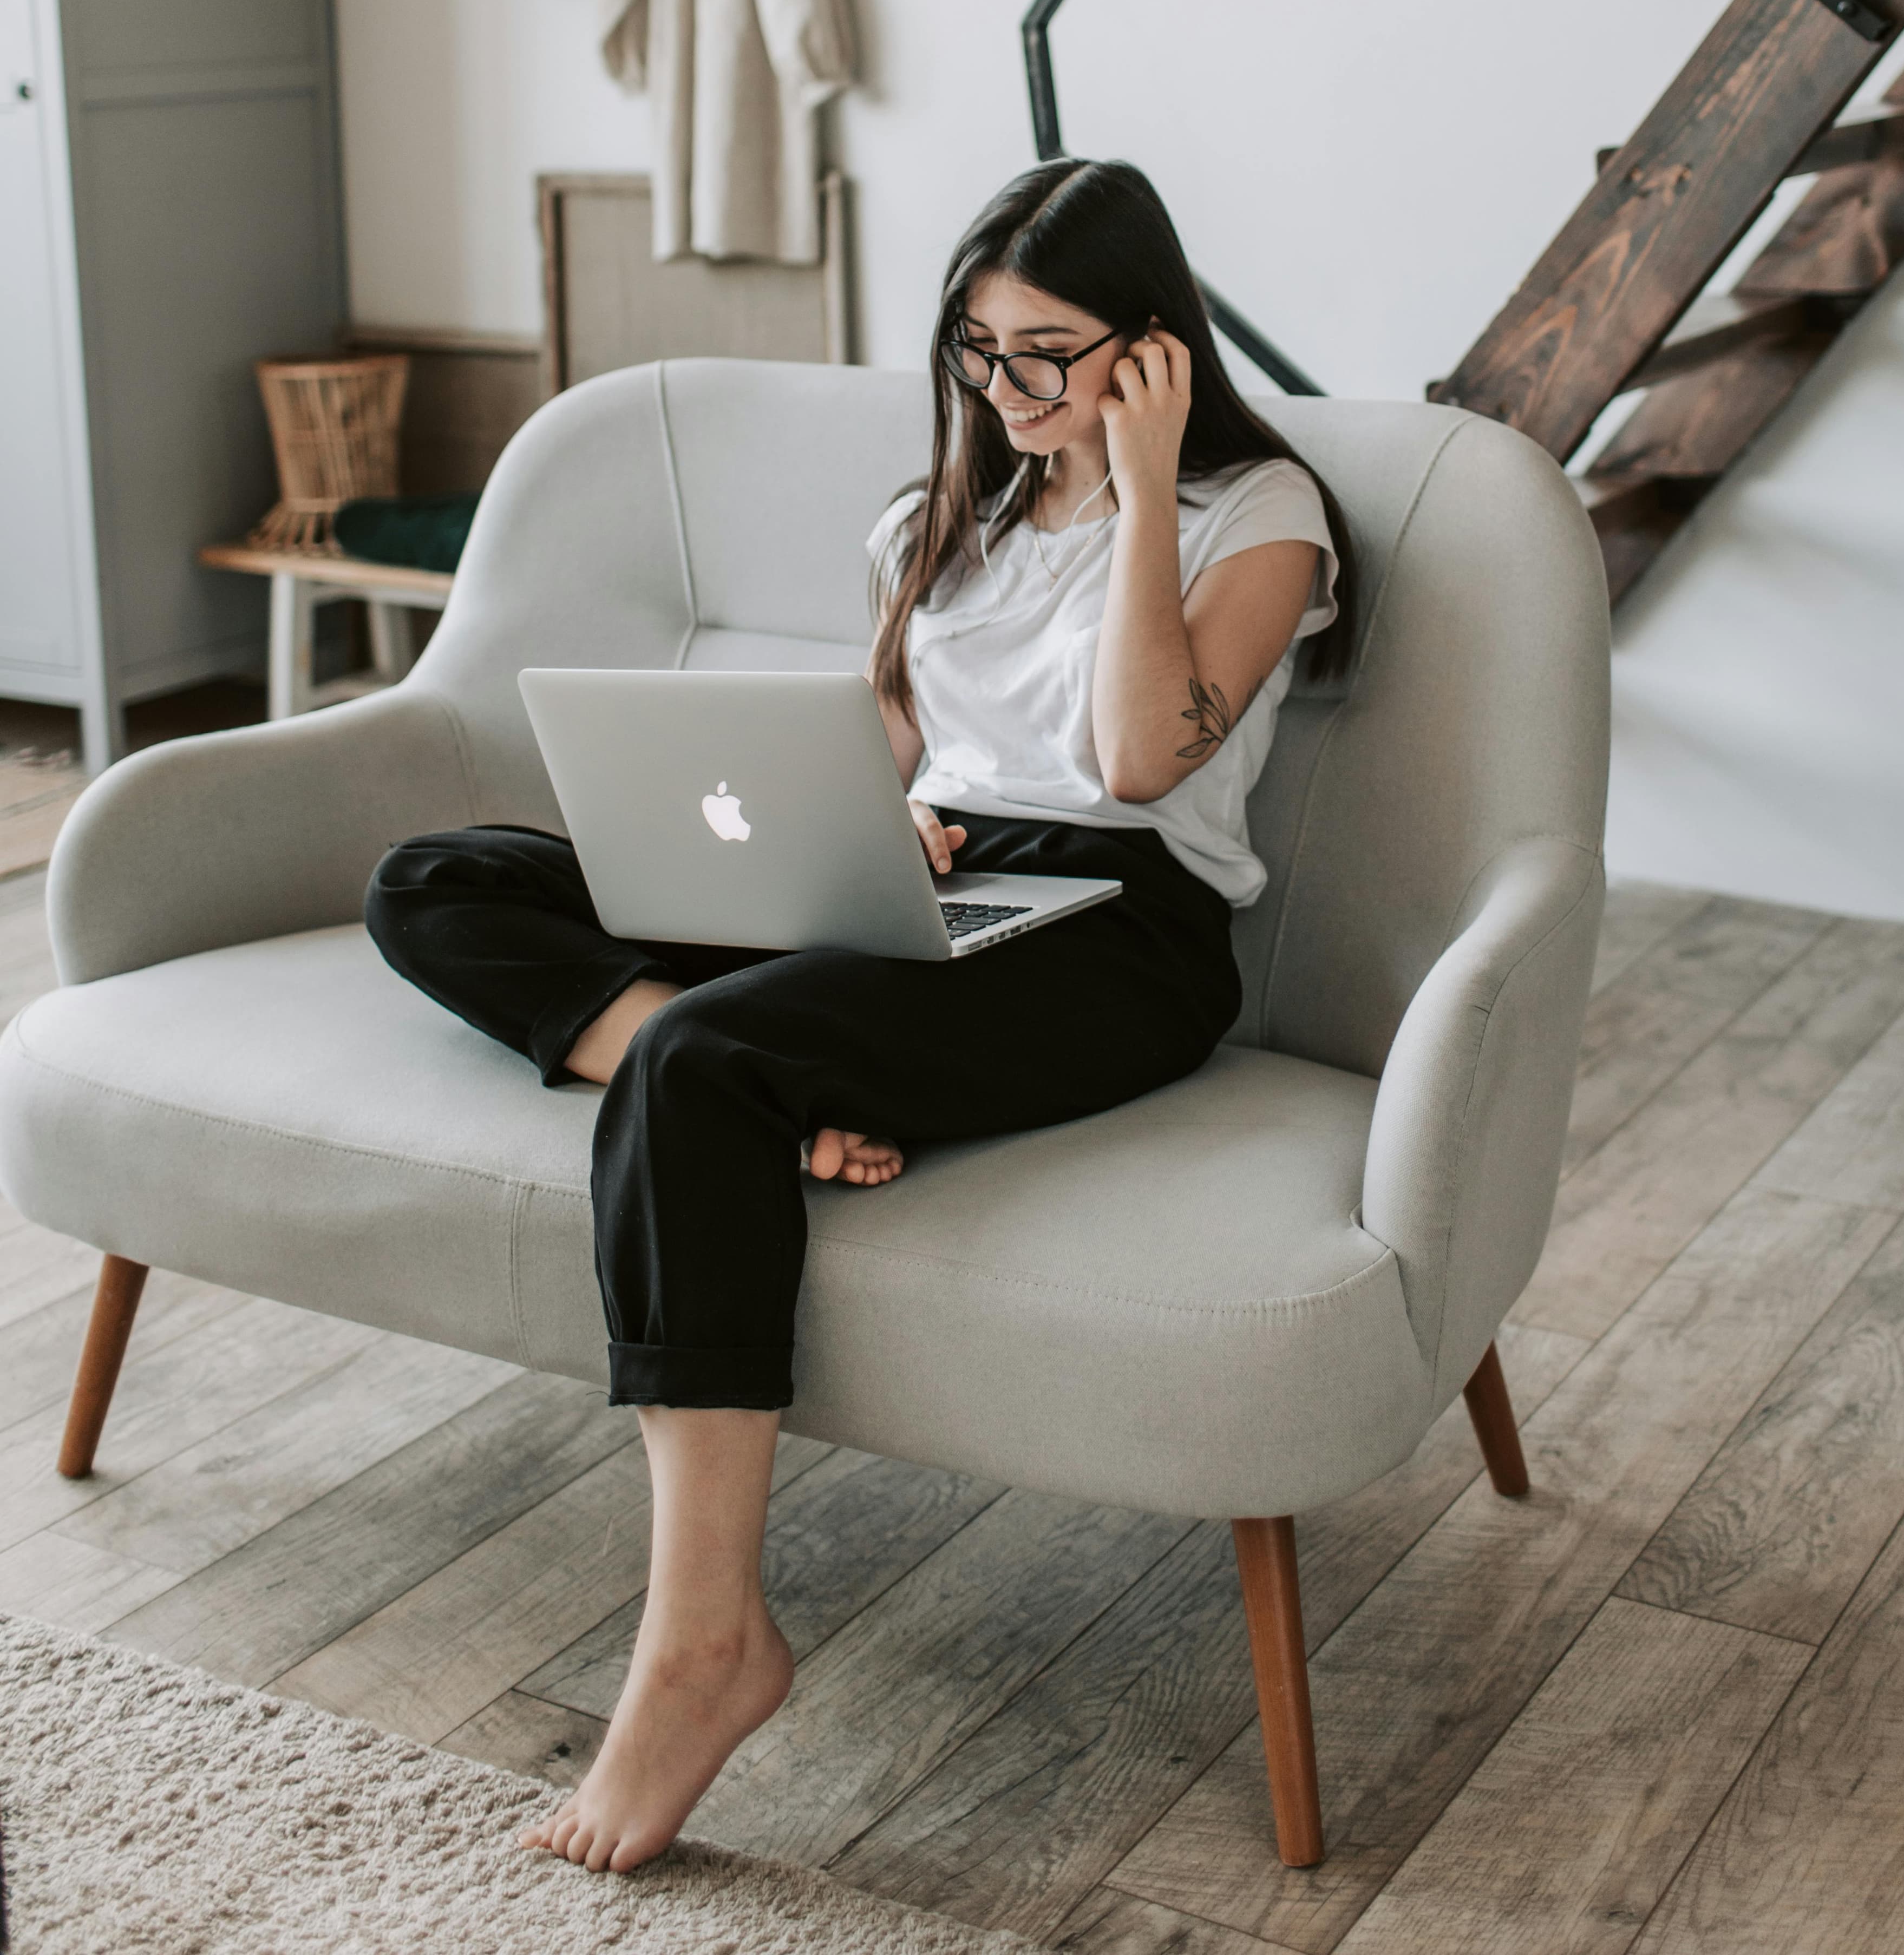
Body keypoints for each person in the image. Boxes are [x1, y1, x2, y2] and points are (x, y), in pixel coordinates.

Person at [363, 156, 1355, 1873]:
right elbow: (884, 755)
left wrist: (1131, 485)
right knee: (437, 879)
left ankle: (707, 1642)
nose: (1008, 390)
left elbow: (1136, 760)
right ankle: (737, 1071)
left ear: (1154, 347)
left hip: (1118, 928)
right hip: (923, 886)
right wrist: (855, 835)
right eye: (980, 351)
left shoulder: (1258, 517)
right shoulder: (932, 523)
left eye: (1051, 352)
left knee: (695, 1062)